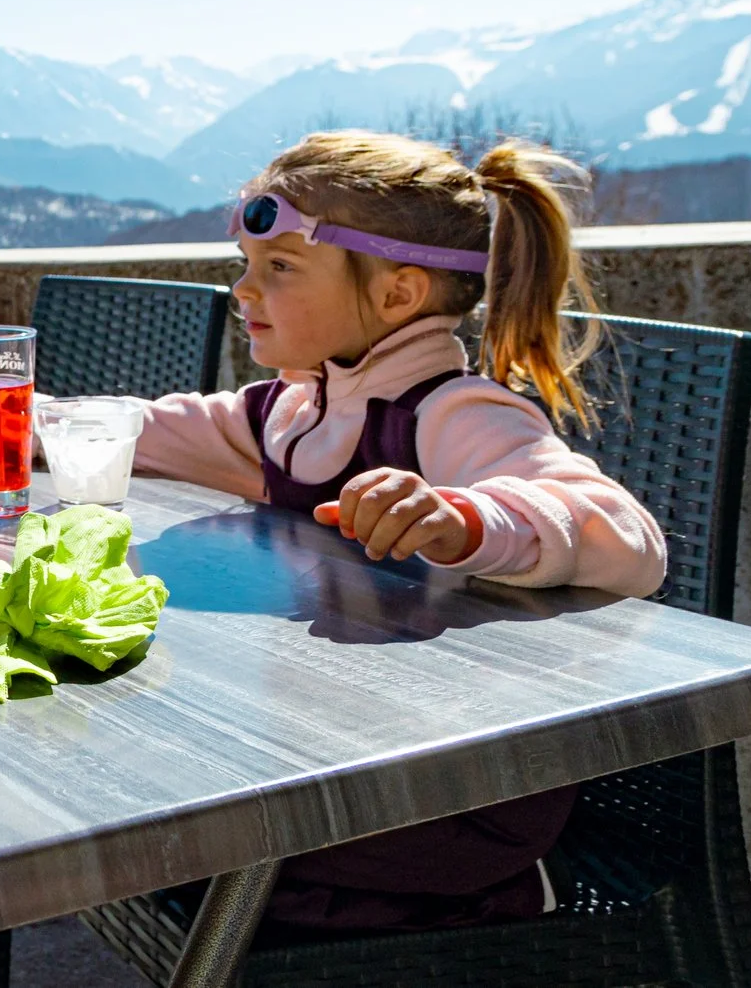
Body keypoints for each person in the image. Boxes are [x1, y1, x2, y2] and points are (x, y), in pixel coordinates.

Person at [130, 131, 666, 930]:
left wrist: (467, 519)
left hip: (453, 800)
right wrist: (3, 416)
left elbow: (628, 538)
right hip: (342, 756)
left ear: (398, 295)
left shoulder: (451, 411)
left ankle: (506, 913)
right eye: (246, 262)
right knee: (146, 768)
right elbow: (141, 430)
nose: (244, 288)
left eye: (280, 266)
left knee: (146, 794)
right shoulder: (293, 411)